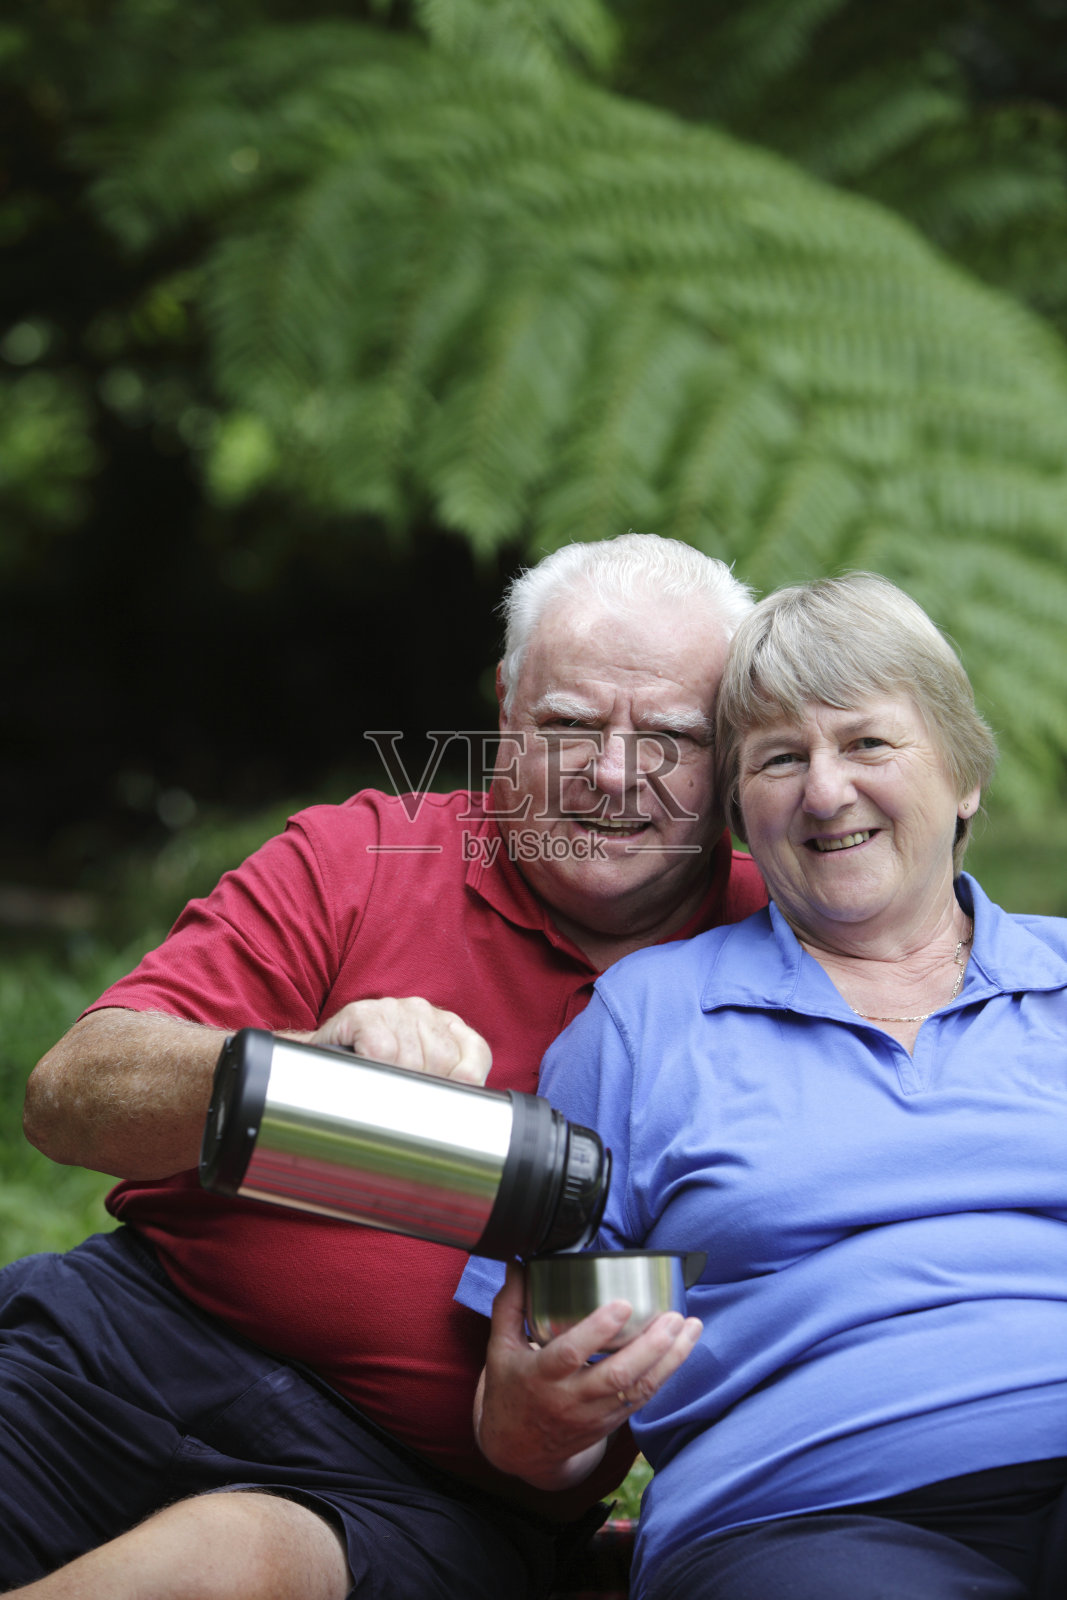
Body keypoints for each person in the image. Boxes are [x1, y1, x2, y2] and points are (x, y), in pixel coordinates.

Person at [7, 533, 766, 1599]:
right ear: (505, 704)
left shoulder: (781, 950)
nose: (611, 773)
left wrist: (563, 1435)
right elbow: (67, 1100)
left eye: (671, 738)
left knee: (233, 1562)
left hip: (412, 1490)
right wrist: (297, 1065)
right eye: (568, 725)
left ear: (732, 746)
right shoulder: (362, 855)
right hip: (124, 1350)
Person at [463, 571, 1067, 1600]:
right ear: (739, 809)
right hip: (806, 1515)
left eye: (866, 743)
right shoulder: (646, 1023)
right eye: (780, 758)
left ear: (963, 774)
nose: (823, 791)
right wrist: (532, 1425)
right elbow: (543, 1382)